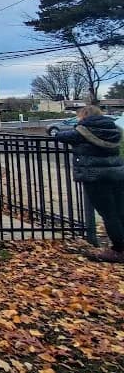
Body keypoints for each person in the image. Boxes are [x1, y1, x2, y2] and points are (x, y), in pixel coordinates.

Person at [56, 106, 124, 262]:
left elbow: (60, 135)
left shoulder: (83, 131)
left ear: (84, 116)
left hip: (95, 177)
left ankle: (119, 249)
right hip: (117, 174)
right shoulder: (113, 129)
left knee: (109, 214)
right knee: (120, 210)